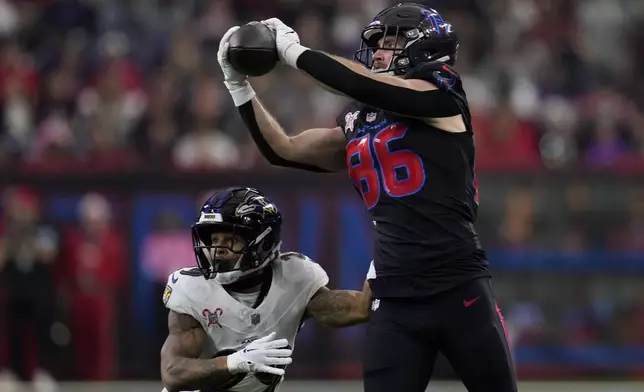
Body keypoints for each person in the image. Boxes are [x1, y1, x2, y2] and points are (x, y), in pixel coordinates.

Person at [217, 3, 517, 392]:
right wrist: (238, 86)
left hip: (457, 284)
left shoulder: (442, 94)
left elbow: (364, 84)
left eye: (388, 42)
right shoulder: (363, 118)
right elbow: (285, 149)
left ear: (422, 46)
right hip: (393, 296)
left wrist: (294, 52)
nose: (376, 52)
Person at [160, 187, 371, 392]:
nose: (218, 250)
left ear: (263, 243)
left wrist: (380, 265)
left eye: (231, 240)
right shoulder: (193, 289)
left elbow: (358, 309)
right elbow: (173, 374)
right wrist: (236, 362)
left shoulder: (293, 276)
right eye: (214, 240)